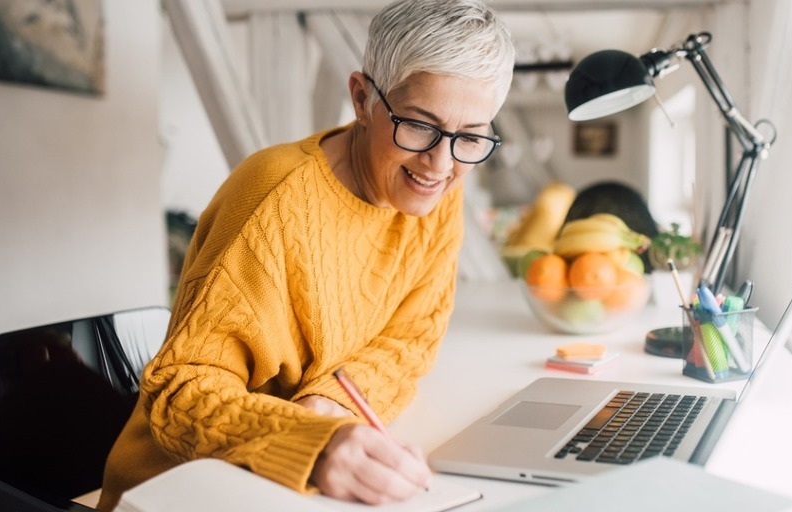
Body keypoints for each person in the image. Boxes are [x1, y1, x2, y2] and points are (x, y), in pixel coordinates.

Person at [95, 0, 515, 509]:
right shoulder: (273, 199)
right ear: (362, 98)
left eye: (470, 136)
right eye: (419, 125)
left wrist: (331, 404)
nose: (440, 163)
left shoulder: (437, 187)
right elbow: (181, 391)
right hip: (176, 489)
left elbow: (411, 336)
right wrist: (309, 442)